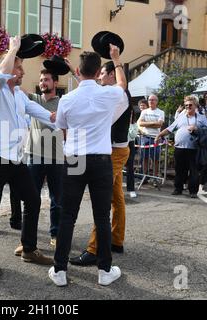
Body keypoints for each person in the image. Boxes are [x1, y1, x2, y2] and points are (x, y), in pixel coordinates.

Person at [48, 46, 128, 287]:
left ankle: (59, 270)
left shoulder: (68, 99)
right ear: (96, 73)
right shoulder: (108, 94)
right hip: (101, 160)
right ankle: (104, 271)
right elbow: (122, 86)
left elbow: (62, 128)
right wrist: (116, 60)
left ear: (79, 72)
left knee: (67, 217)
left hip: (74, 158)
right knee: (102, 216)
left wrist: (71, 144)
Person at [0, 36, 56, 279]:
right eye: (19, 67)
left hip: (16, 159)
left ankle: (29, 249)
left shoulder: (20, 95)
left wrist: (69, 120)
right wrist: (12, 50)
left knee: (32, 201)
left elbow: (47, 116)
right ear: (10, 69)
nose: (23, 71)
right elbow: (0, 74)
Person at [69, 61, 132, 268]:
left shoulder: (116, 95)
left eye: (103, 74)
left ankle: (94, 250)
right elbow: (90, 92)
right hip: (117, 149)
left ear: (113, 75)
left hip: (113, 152)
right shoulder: (114, 94)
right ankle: (116, 240)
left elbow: (94, 108)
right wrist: (75, 72)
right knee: (116, 198)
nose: (99, 77)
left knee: (102, 201)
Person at [24, 69, 64, 249]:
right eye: (41, 80)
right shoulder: (34, 99)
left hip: (56, 158)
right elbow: (18, 90)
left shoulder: (63, 103)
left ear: (55, 83)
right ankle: (27, 240)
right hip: (35, 156)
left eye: (47, 80)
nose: (43, 83)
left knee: (57, 200)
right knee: (32, 199)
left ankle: (55, 234)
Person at [155, 96, 207, 198]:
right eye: (186, 105)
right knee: (179, 169)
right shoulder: (181, 117)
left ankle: (193, 191)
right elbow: (170, 128)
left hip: (194, 148)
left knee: (194, 171)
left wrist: (196, 128)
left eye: (190, 105)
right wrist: (159, 135)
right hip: (179, 148)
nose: (188, 107)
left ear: (195, 105)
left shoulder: (201, 118)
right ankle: (178, 188)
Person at [137, 95, 165, 183]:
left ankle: (155, 178)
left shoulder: (161, 112)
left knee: (155, 159)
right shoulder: (144, 111)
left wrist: (146, 123)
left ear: (157, 101)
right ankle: (145, 177)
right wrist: (154, 123)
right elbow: (140, 123)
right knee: (144, 158)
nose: (151, 101)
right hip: (145, 137)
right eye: (149, 100)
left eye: (153, 100)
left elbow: (159, 124)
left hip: (155, 138)